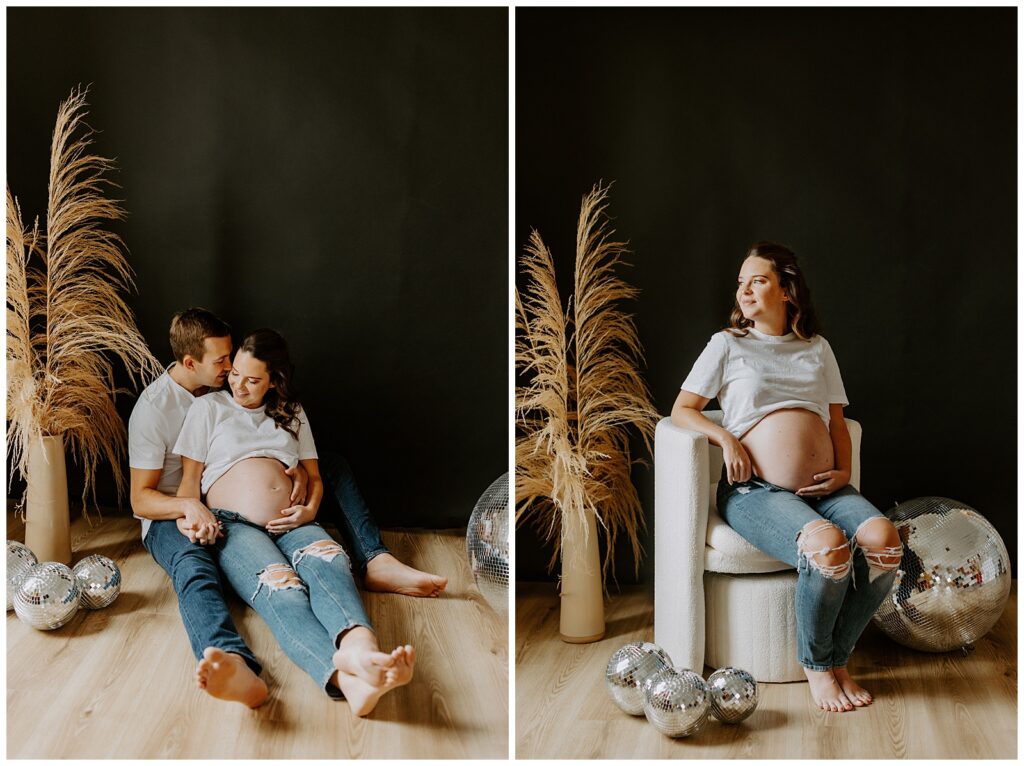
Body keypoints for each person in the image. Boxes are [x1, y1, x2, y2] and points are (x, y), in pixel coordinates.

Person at [128, 308, 444, 708]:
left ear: (271, 380)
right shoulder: (182, 409)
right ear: (192, 364)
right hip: (210, 517)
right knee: (269, 584)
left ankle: (361, 651)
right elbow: (156, 494)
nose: (232, 376)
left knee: (329, 559)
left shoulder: (286, 410)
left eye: (243, 370)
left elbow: (314, 472)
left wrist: (308, 500)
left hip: (288, 517)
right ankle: (287, 670)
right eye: (225, 365)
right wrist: (194, 513)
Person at [671, 242, 903, 714]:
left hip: (825, 488)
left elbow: (837, 421)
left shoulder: (817, 349)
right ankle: (820, 666)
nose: (744, 290)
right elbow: (682, 410)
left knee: (885, 541)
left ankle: (837, 657)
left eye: (757, 280)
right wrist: (727, 440)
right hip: (756, 492)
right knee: (828, 546)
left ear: (787, 290)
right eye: (741, 282)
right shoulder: (728, 345)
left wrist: (843, 470)